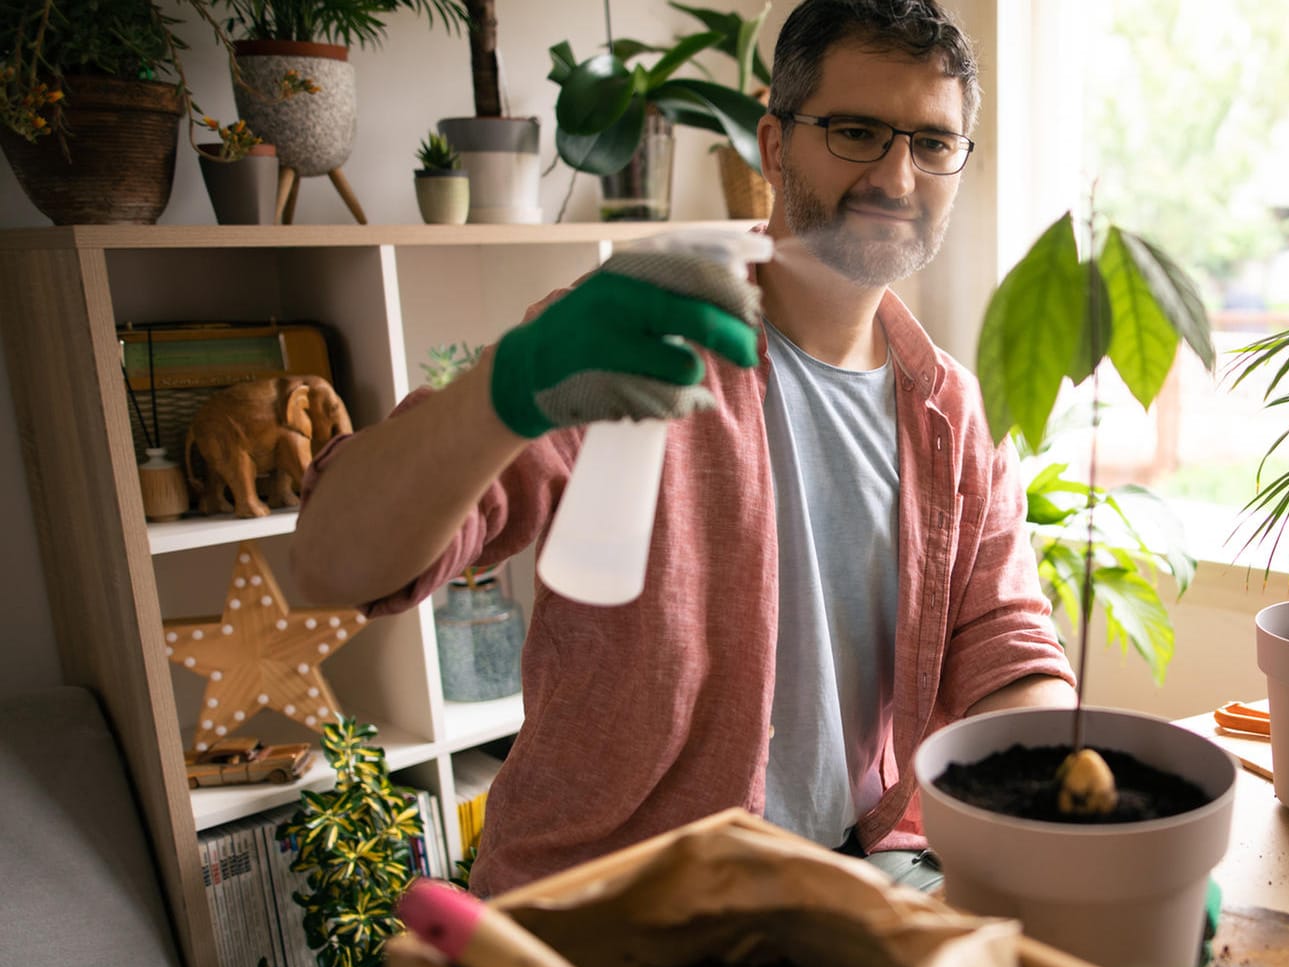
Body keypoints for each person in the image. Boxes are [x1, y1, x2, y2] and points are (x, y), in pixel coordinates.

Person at [290, 0, 1076, 898]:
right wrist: (508, 387)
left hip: (838, 889)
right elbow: (332, 565)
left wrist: (1076, 829)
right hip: (606, 909)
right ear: (774, 147)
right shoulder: (635, 340)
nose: (899, 176)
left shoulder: (948, 411)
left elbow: (1009, 651)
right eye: (858, 131)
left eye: (934, 143)